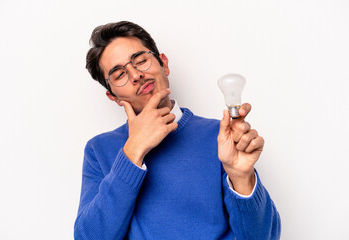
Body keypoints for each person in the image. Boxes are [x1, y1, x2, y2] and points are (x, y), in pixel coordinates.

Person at [74, 21, 281, 240]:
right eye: (119, 75)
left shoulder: (221, 137)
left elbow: (263, 237)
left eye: (141, 60)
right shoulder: (99, 150)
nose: (136, 75)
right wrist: (133, 150)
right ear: (113, 96)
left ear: (164, 63)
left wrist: (241, 177)